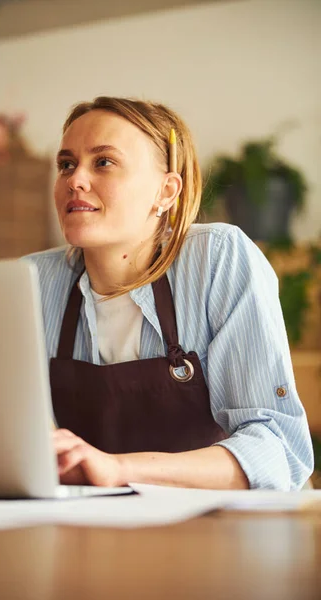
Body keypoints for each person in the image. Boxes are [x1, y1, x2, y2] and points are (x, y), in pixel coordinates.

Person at [26, 96, 313, 491]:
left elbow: (279, 448)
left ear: (166, 192)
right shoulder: (31, 280)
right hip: (80, 528)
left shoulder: (217, 257)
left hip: (211, 532)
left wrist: (119, 469)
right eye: (66, 164)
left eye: (103, 162)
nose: (75, 179)